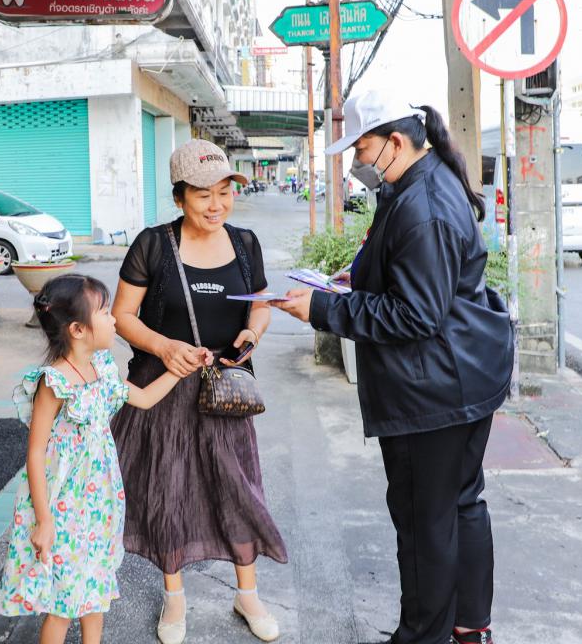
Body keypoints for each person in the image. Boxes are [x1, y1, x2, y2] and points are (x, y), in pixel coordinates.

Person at [272, 91, 513, 644]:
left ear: (395, 142)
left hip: (434, 389)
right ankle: (469, 628)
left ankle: (423, 635)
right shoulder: (419, 184)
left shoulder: (422, 205)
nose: (356, 161)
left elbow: (415, 314)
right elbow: (413, 279)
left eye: (361, 148)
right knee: (460, 505)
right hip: (462, 373)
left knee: (425, 521)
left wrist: (322, 309)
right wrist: (352, 281)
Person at [111, 139, 287, 644]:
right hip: (163, 387)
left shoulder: (246, 243)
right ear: (180, 197)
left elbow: (260, 304)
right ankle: (175, 598)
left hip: (226, 386)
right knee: (169, 490)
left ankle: (247, 594)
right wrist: (165, 347)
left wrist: (253, 332)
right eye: (203, 194)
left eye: (224, 192)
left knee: (237, 489)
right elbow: (122, 316)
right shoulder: (152, 245)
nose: (216, 205)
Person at [1, 274, 191, 644]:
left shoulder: (102, 368)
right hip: (64, 507)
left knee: (96, 592)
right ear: (77, 329)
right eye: (104, 312)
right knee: (63, 603)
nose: (113, 319)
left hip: (100, 503)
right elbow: (35, 453)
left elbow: (144, 398)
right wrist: (44, 521)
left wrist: (180, 370)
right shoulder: (54, 382)